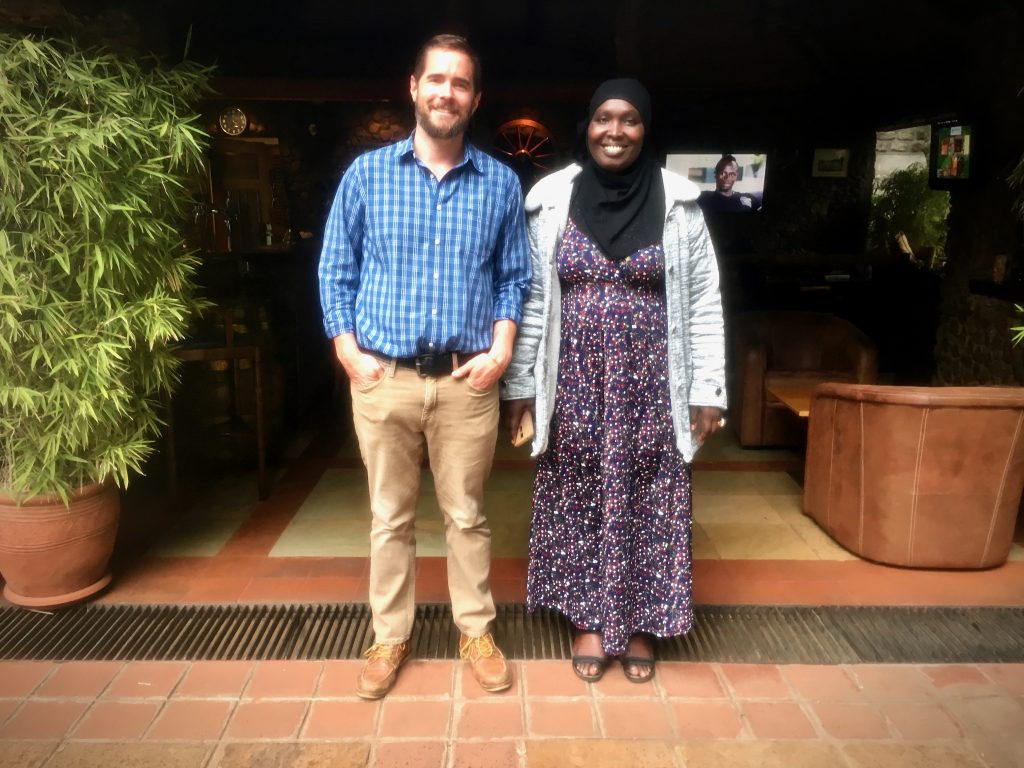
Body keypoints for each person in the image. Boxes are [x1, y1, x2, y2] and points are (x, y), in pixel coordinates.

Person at [318, 34, 531, 699]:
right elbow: (335, 270)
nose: (447, 92)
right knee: (390, 517)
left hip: (469, 381)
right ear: (413, 87)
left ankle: (475, 628)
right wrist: (349, 353)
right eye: (436, 80)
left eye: (460, 83)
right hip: (385, 379)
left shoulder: (499, 182)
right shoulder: (367, 175)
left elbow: (512, 278)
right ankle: (390, 635)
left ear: (475, 98)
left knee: (467, 515)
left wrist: (500, 352)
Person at [502, 79, 726, 683]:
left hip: (654, 386)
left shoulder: (680, 205)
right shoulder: (551, 199)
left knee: (650, 493)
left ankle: (643, 622)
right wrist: (520, 384)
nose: (615, 131)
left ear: (645, 129)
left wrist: (708, 389)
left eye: (629, 120)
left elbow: (704, 300)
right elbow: (531, 302)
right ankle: (589, 619)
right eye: (604, 118)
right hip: (572, 380)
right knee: (576, 489)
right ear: (588, 125)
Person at [697, 154, 762, 212]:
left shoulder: (748, 198)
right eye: (723, 173)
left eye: (732, 174)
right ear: (715, 174)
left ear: (736, 176)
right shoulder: (703, 197)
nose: (727, 177)